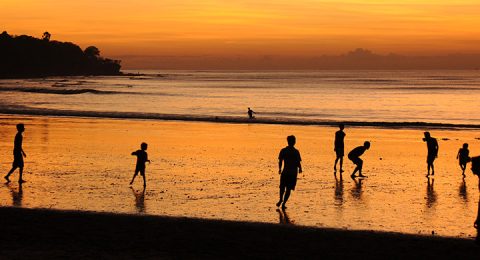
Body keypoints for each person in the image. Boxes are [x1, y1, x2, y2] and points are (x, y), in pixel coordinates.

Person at [277, 135, 302, 209]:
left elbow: (280, 160)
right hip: (292, 173)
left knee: (282, 187)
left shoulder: (283, 150)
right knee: (288, 189)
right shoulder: (296, 151)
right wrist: (300, 168)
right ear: (294, 142)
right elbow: (298, 162)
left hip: (285, 172)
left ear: (288, 142)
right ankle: (283, 203)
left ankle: (281, 199)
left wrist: (279, 169)